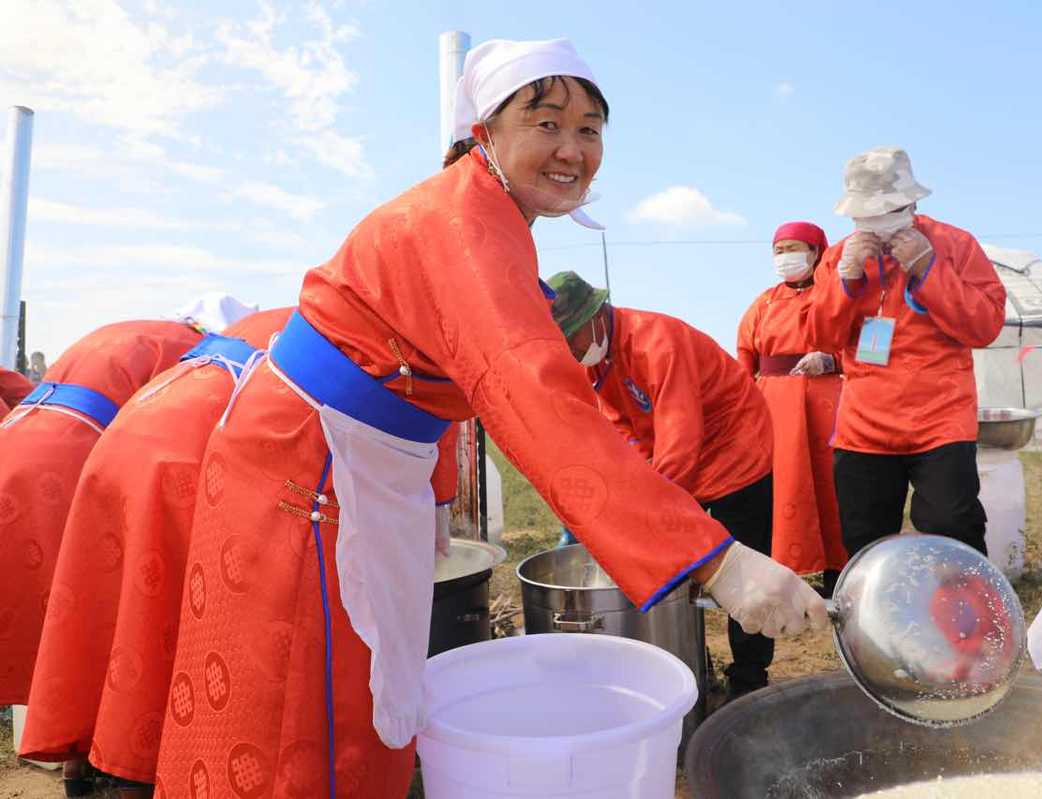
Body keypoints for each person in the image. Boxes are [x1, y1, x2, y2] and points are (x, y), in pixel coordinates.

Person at [154, 38, 826, 799]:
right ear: (486, 131)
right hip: (311, 472)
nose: (572, 149)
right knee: (294, 712)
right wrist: (718, 560)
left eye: (591, 129)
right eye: (546, 123)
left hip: (356, 461)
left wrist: (435, 497)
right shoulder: (466, 223)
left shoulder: (490, 216)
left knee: (345, 698)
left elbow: (437, 387)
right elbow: (539, 403)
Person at [18, 308, 293, 798]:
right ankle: (139, 770)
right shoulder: (301, 335)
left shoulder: (165, 341)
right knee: (165, 621)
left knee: (99, 612)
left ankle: (79, 768)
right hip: (166, 460)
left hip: (105, 447)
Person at [546, 270, 780, 697]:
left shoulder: (657, 343)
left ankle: (750, 676)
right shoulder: (596, 360)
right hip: (677, 454)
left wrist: (649, 509)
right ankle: (688, 658)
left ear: (597, 317)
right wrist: (624, 491)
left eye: (571, 336)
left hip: (735, 452)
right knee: (676, 562)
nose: (570, 349)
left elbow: (680, 434)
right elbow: (618, 429)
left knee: (742, 565)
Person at [802, 146, 1006, 557]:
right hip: (865, 426)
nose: (876, 223)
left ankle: (961, 619)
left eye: (887, 210)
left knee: (953, 528)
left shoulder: (955, 244)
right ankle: (873, 620)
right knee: (864, 539)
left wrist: (928, 269)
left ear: (912, 203)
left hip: (940, 420)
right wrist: (847, 281)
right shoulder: (840, 257)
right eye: (865, 214)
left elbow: (985, 325)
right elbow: (820, 336)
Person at [0, 319, 206, 712]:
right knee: (85, 605)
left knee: (18, 587)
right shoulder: (189, 354)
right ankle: (77, 742)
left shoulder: (121, 333)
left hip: (13, 437)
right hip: (74, 454)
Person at [737, 221, 848, 597]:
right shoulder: (764, 302)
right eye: (779, 250)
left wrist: (833, 360)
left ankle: (841, 575)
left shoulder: (839, 298)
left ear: (818, 252)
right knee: (781, 488)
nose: (786, 258)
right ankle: (781, 576)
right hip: (774, 408)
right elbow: (743, 358)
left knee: (833, 486)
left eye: (795, 249)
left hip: (828, 405)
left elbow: (870, 347)